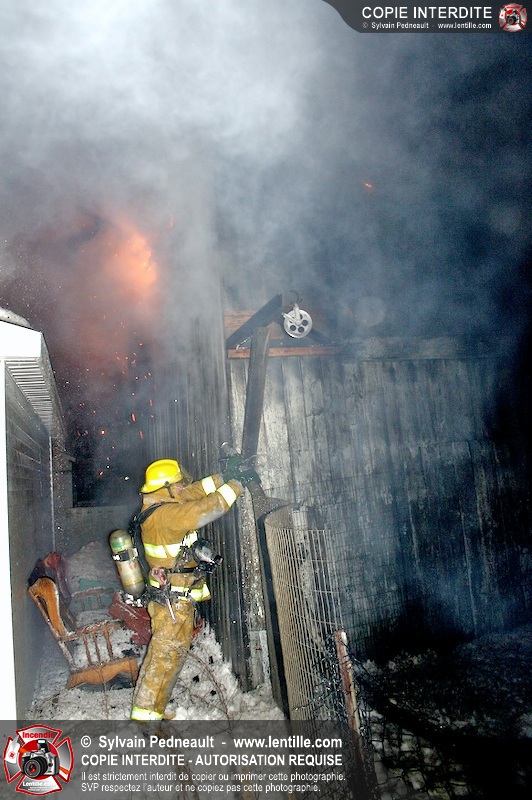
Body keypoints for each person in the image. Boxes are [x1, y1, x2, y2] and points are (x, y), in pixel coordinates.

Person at [130, 455, 256, 722]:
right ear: (165, 488)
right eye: (177, 484)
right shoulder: (166, 516)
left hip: (171, 598)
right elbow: (205, 508)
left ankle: (153, 708)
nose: (182, 487)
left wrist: (223, 476)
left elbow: (193, 492)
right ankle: (146, 719)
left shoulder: (160, 503)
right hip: (172, 602)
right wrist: (236, 484)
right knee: (164, 658)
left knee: (165, 655)